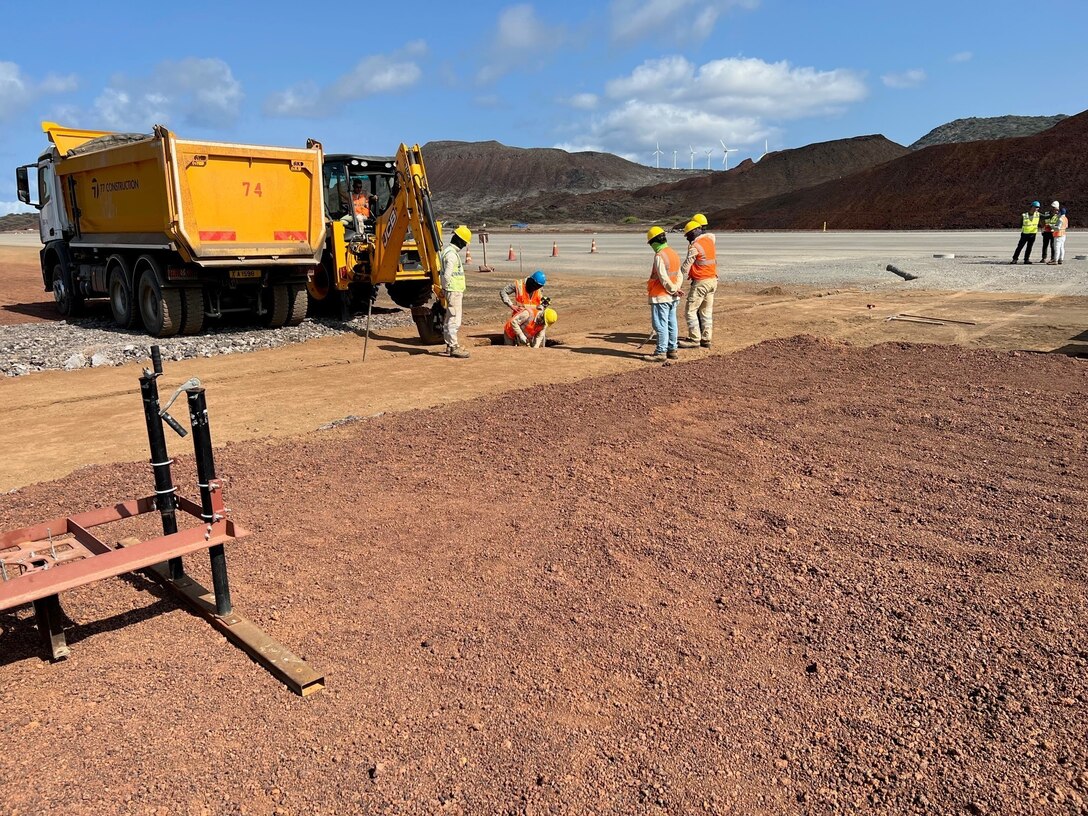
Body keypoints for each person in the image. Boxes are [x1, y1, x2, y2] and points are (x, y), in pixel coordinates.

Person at [643, 226, 682, 363]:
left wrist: (672, 289)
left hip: (661, 296)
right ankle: (672, 349)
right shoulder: (673, 253)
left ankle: (661, 352)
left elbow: (663, 277)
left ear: (654, 241)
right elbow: (679, 275)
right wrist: (676, 289)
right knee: (672, 323)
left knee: (660, 325)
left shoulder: (660, 256)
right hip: (673, 296)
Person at [677, 219, 718, 348]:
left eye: (688, 234)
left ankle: (694, 339)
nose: (687, 238)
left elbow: (686, 266)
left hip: (701, 282)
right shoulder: (710, 241)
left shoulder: (695, 246)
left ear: (695, 231)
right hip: (713, 281)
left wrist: (676, 280)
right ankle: (706, 339)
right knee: (706, 312)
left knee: (690, 311)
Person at [440, 225, 472, 358]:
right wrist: (445, 288)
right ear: (458, 240)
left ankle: (450, 345)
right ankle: (453, 346)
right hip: (453, 290)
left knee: (449, 318)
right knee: (454, 319)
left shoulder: (447, 252)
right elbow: (447, 275)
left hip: (452, 290)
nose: (464, 246)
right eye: (464, 242)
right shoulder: (451, 255)